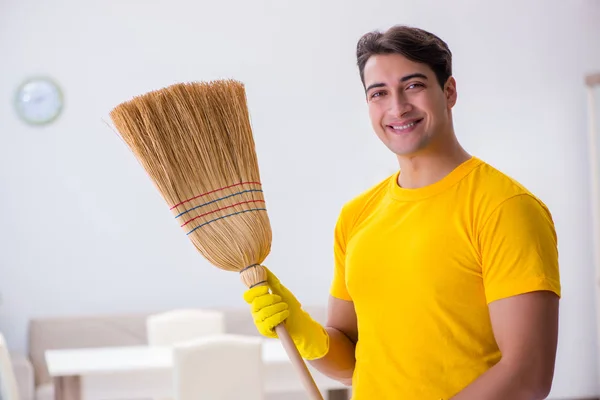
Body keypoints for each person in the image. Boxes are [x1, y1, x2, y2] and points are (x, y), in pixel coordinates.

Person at [243, 24, 561, 399]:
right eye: (379, 93)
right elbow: (351, 364)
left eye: (413, 85)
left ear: (449, 91)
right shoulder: (356, 215)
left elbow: (528, 374)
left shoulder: (504, 208)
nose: (397, 107)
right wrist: (303, 332)